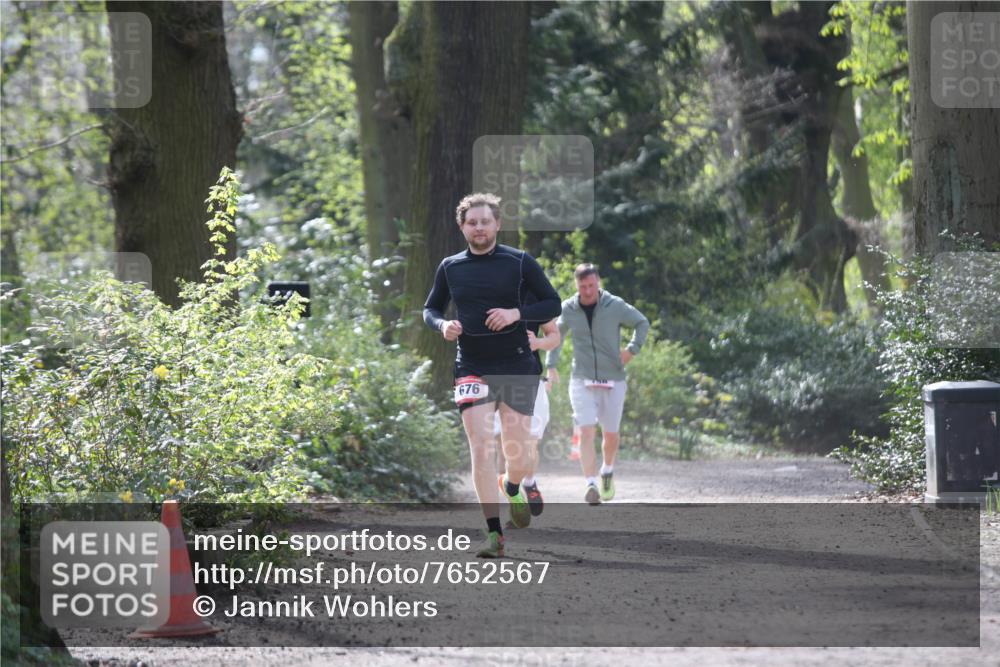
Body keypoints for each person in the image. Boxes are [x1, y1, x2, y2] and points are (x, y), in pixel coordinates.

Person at [423, 193, 561, 557]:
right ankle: (494, 534)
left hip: (517, 365)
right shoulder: (450, 267)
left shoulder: (519, 263)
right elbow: (431, 308)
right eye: (472, 222)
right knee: (481, 447)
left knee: (518, 449)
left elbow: (553, 303)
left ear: (497, 224)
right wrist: (442, 325)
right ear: (462, 226)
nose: (479, 228)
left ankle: (513, 484)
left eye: (485, 221)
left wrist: (517, 314)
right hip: (471, 365)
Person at [546, 263, 649, 505]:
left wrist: (631, 351)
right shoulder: (569, 308)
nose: (588, 291)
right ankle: (591, 483)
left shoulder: (614, 305)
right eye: (583, 286)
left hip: (613, 377)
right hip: (581, 378)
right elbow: (556, 335)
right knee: (585, 431)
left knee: (611, 435)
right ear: (576, 285)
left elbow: (641, 322)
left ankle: (607, 471)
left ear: (598, 282)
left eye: (592, 285)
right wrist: (551, 364)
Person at [493, 315, 561, 519]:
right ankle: (513, 501)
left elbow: (554, 335)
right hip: (496, 379)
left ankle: (529, 483)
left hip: (531, 379)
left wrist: (538, 342)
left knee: (529, 443)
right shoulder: (486, 288)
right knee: (504, 445)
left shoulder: (534, 290)